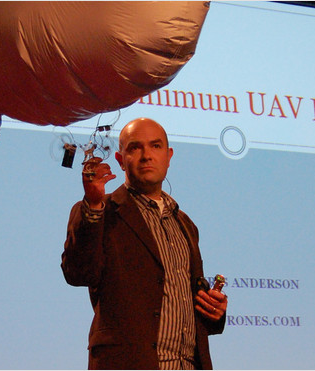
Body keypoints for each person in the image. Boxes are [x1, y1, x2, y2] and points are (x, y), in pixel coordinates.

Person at [61, 117, 228, 370]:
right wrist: (94, 204)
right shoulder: (101, 212)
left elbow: (181, 300)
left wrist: (213, 312)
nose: (147, 155)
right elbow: (78, 273)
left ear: (169, 156)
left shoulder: (184, 223)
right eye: (135, 147)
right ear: (120, 159)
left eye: (156, 146)